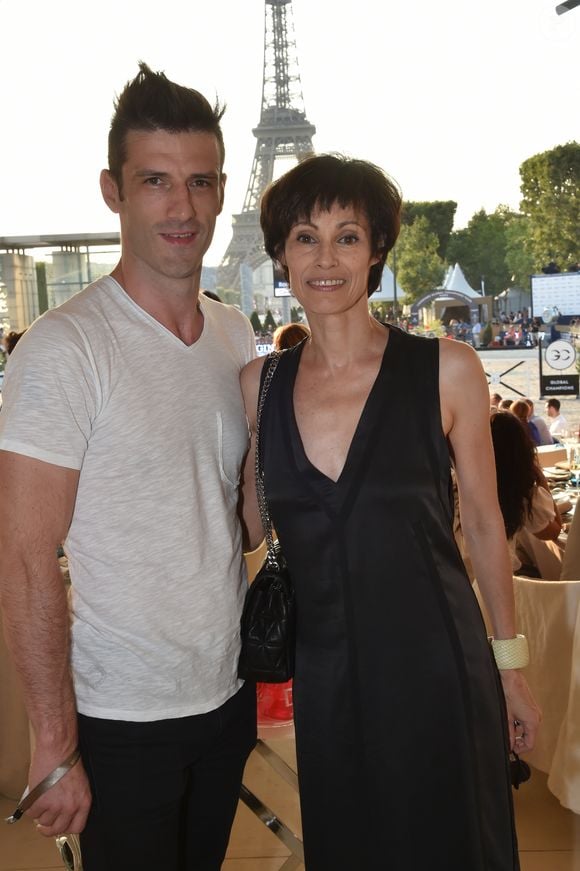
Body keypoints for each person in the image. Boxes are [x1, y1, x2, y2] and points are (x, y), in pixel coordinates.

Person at [239, 153, 540, 869]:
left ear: (377, 251)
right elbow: (250, 525)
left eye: (348, 236)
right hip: (328, 676)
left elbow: (486, 525)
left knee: (457, 844)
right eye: (305, 237)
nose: (326, 257)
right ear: (280, 253)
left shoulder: (448, 367)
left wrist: (513, 668)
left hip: (437, 662)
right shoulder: (259, 384)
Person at [0, 63, 258, 871]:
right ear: (114, 190)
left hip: (227, 689)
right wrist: (54, 742)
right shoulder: (64, 347)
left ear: (221, 192)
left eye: (200, 182)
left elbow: (240, 517)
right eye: (156, 181)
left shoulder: (235, 335)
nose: (182, 207)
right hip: (120, 716)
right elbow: (24, 554)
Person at [490, 411, 562, 576]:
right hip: (498, 577)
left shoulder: (463, 480)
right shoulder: (519, 495)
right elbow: (554, 531)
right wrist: (541, 479)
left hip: (461, 575)